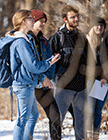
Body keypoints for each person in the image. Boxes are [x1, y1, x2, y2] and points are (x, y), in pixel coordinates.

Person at [0, 9, 60, 140]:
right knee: (22, 120)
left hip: (28, 84)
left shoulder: (23, 40)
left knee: (32, 116)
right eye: (30, 19)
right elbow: (33, 65)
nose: (33, 21)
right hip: (23, 85)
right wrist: (49, 62)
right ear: (22, 22)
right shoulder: (20, 42)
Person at [48, 5, 88, 140]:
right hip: (63, 87)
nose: (76, 19)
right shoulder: (57, 37)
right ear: (65, 19)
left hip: (81, 87)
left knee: (81, 122)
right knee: (57, 119)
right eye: (72, 17)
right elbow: (48, 61)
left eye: (77, 17)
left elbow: (89, 59)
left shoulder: (82, 37)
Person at [27, 9, 61, 140]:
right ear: (33, 20)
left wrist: (48, 78)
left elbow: (50, 61)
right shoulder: (26, 40)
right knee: (28, 118)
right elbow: (30, 64)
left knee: (55, 115)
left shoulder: (44, 40)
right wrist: (43, 78)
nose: (43, 24)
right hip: (30, 83)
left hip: (44, 85)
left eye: (44, 21)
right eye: (40, 20)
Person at [85, 17, 108, 140]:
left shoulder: (106, 41)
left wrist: (105, 77)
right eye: (97, 25)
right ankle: (88, 135)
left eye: (101, 26)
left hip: (102, 81)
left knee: (98, 110)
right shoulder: (86, 41)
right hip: (90, 80)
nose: (99, 27)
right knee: (90, 109)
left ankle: (95, 135)